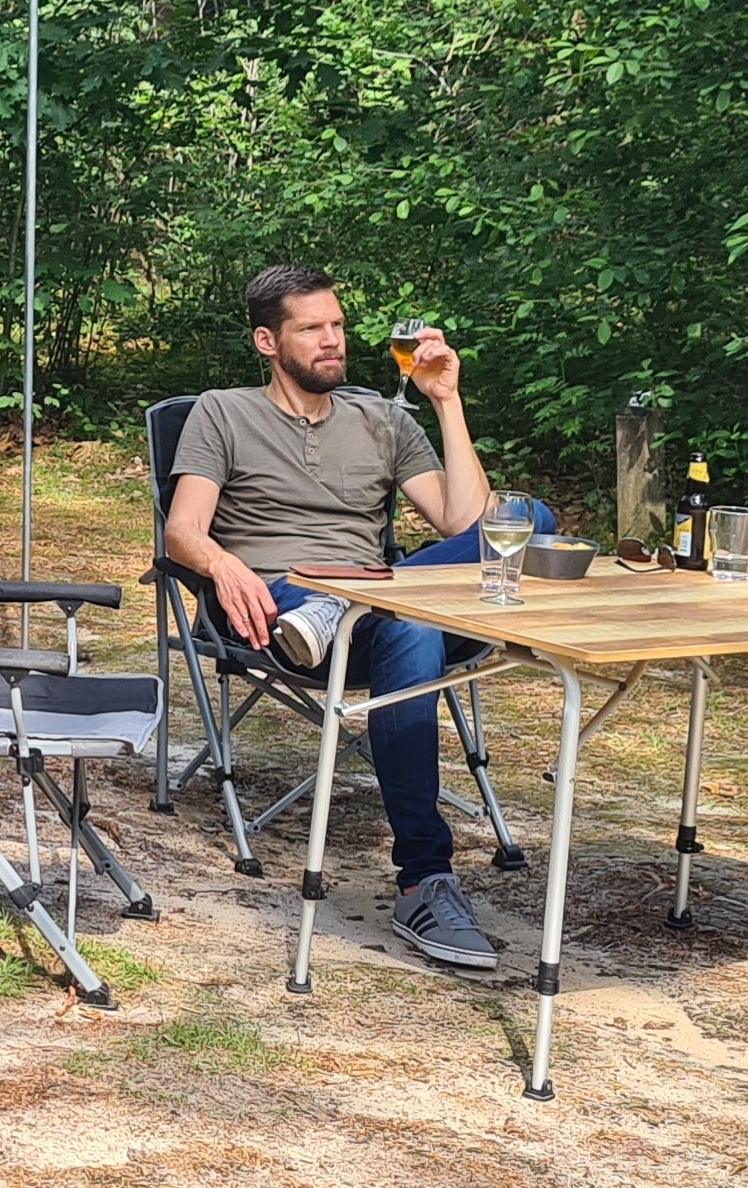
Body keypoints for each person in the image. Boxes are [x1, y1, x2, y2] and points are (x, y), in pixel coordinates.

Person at [160, 262, 536, 971]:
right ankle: (425, 878)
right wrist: (223, 563)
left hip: (379, 601)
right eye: (312, 329)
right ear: (268, 342)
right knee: (409, 620)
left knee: (525, 519)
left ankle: (351, 606)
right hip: (285, 609)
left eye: (337, 325)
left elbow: (464, 521)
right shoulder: (224, 411)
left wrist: (446, 402)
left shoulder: (384, 420)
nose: (333, 341)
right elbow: (183, 531)